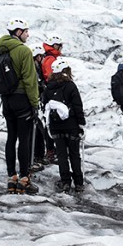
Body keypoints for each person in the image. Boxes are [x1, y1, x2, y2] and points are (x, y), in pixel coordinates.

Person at [0, 18, 39, 194]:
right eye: (26, 31)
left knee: (11, 137)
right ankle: (24, 178)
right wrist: (35, 103)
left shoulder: (1, 48)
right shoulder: (24, 51)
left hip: (7, 99)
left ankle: (11, 176)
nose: (28, 34)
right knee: (25, 139)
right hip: (22, 99)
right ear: (19, 32)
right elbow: (30, 80)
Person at [42, 58, 86, 193]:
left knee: (61, 155)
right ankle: (78, 182)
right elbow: (78, 106)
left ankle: (65, 181)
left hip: (56, 127)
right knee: (74, 154)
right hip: (71, 126)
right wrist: (81, 123)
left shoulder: (48, 87)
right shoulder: (70, 86)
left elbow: (45, 107)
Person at [29, 43, 57, 169]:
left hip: (35, 101)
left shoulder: (35, 68)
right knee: (37, 130)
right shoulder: (33, 69)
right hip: (32, 103)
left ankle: (38, 155)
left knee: (39, 129)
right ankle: (35, 157)